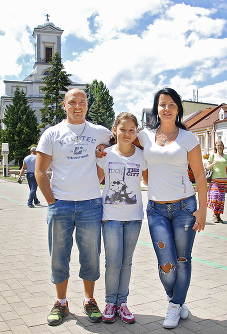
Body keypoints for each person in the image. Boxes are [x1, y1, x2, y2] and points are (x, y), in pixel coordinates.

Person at [35, 88, 112, 326]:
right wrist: (51, 201)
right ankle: (61, 302)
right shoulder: (52, 133)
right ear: (64, 105)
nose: (77, 106)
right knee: (59, 257)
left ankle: (89, 300)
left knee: (90, 256)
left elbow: (122, 145)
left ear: (87, 104)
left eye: (82, 102)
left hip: (91, 204)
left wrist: (99, 172)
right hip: (61, 206)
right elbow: (39, 171)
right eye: (72, 102)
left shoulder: (100, 132)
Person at [137, 88, 207, 329]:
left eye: (172, 105)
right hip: (156, 209)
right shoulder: (145, 136)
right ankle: (176, 300)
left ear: (178, 110)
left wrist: (203, 210)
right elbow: (124, 147)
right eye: (162, 104)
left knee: (182, 259)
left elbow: (199, 175)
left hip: (184, 208)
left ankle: (175, 305)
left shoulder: (188, 138)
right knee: (165, 264)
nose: (166, 109)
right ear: (156, 108)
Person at [96, 112, 148, 324]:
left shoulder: (142, 156)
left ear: (136, 132)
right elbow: (96, 181)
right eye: (123, 129)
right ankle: (110, 302)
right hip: (110, 216)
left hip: (134, 217)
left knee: (126, 262)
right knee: (112, 262)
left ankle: (122, 303)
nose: (127, 134)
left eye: (131, 130)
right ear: (115, 130)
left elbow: (150, 182)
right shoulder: (105, 154)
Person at [205, 140, 227, 224]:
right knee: (215, 197)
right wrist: (213, 164)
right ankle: (215, 214)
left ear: (223, 147)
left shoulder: (226, 157)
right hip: (214, 180)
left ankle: (217, 216)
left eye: (220, 145)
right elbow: (207, 168)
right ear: (215, 147)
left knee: (221, 199)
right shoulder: (212, 156)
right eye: (218, 145)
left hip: (223, 180)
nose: (219, 146)